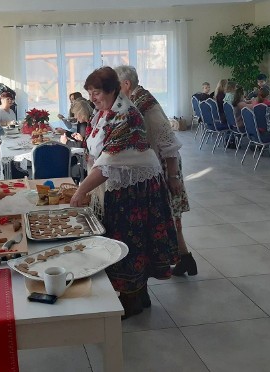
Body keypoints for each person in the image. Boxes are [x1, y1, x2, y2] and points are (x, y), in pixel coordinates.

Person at [70, 67, 178, 319]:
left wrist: (81, 191)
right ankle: (138, 295)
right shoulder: (105, 113)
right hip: (123, 185)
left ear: (113, 89)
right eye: (90, 93)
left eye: (96, 92)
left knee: (129, 242)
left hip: (134, 190)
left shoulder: (126, 115)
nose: (93, 98)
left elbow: (108, 162)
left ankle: (132, 300)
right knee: (128, 241)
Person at [115, 65, 196, 277]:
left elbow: (168, 141)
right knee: (171, 216)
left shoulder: (146, 104)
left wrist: (173, 176)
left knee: (170, 215)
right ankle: (185, 258)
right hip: (156, 166)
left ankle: (182, 259)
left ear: (126, 84)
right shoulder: (135, 100)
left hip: (164, 167)